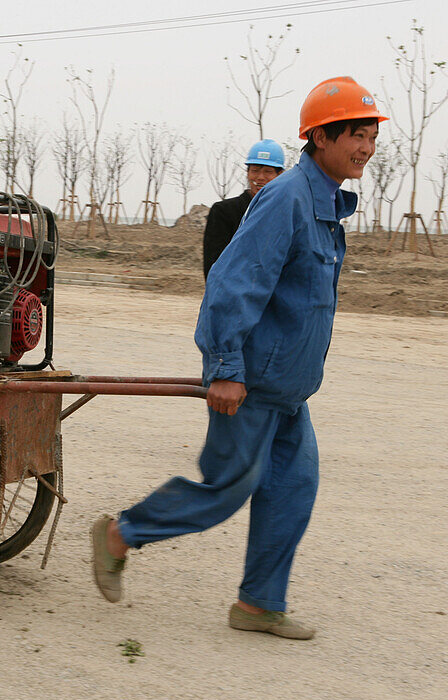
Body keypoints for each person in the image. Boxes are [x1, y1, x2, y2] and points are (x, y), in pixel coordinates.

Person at [91, 77, 386, 640]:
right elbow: (232, 283)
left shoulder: (322, 202)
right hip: (250, 383)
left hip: (287, 391)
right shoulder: (288, 198)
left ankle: (257, 605)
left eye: (371, 135)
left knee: (292, 491)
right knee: (226, 488)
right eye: (356, 134)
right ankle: (119, 534)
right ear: (320, 137)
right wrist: (225, 368)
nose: (366, 147)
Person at [202, 139, 285, 278]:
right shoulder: (224, 212)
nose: (260, 177)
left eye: (268, 172)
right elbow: (213, 265)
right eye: (255, 171)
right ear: (247, 173)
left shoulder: (285, 214)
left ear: (280, 175)